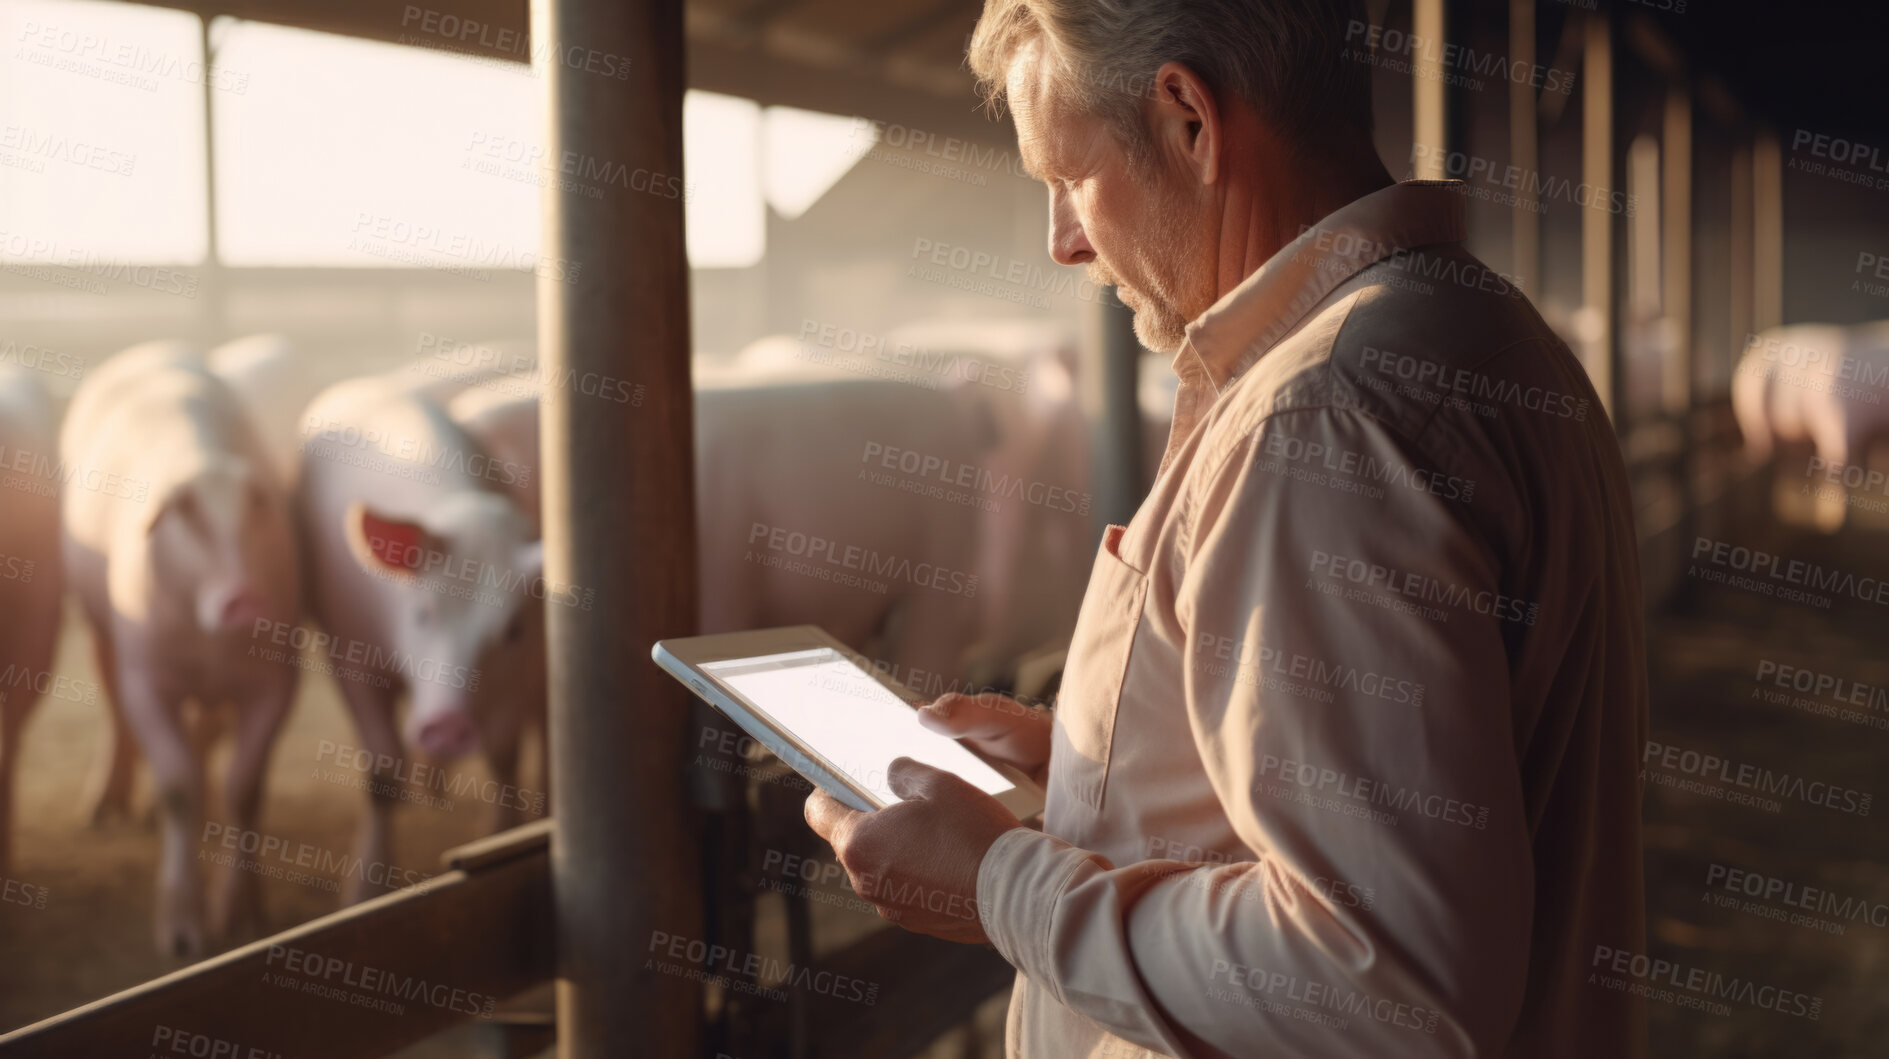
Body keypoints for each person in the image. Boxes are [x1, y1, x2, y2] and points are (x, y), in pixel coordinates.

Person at [805, 1, 1649, 1055]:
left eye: (1068, 179)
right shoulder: (1477, 331)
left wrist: (997, 882)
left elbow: (1383, 979)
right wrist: (1089, 767)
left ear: (1188, 122)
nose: (1062, 241)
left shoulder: (1321, 416)